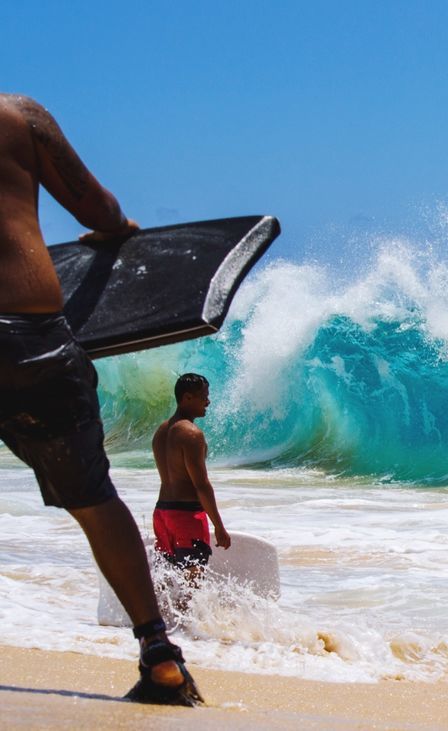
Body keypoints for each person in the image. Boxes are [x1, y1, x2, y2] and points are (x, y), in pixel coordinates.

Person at [0, 93, 202, 705]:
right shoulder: (18, 117)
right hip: (28, 334)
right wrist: (117, 230)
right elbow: (93, 202)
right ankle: (158, 652)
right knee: (92, 498)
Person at [152, 373, 230, 589]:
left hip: (162, 514)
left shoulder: (161, 431)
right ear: (187, 398)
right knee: (193, 587)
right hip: (186, 517)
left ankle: (163, 623)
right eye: (203, 396)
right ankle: (190, 624)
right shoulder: (191, 433)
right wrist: (219, 527)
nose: (208, 401)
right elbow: (201, 485)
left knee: (167, 585)